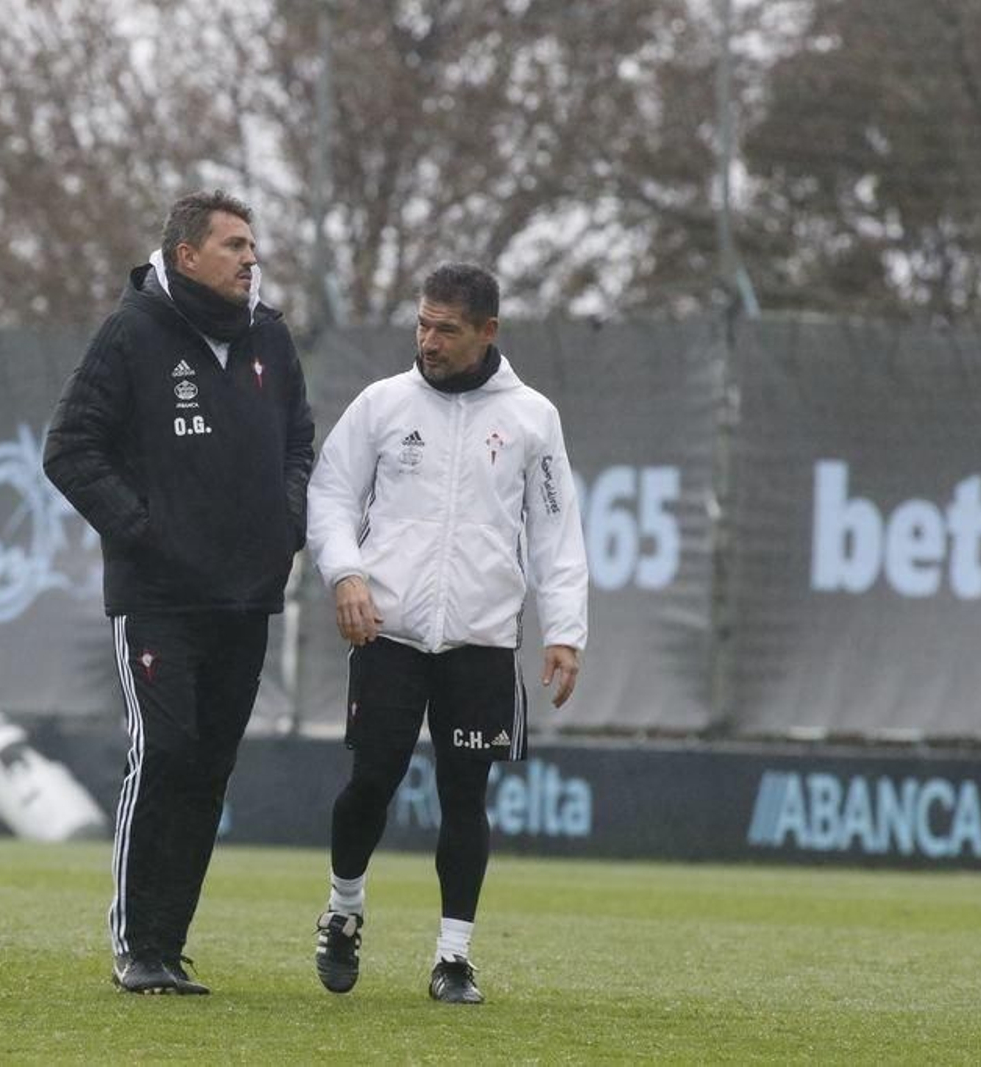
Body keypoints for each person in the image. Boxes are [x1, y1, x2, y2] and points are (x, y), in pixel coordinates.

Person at [43, 190, 315, 995]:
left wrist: (286, 524)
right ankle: (134, 942)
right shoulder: (133, 331)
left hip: (246, 598)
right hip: (159, 596)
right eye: (232, 244)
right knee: (160, 753)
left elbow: (300, 440)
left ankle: (167, 945)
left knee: (208, 767)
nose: (249, 257)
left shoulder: (270, 336)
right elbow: (69, 448)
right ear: (186, 255)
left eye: (252, 245)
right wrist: (145, 529)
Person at [305, 263, 588, 1004]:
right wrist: (345, 573)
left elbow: (559, 531)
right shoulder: (381, 404)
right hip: (388, 634)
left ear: (488, 332)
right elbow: (330, 493)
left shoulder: (532, 417)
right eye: (422, 324)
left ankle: (453, 957)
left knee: (467, 797)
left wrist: (565, 629)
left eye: (446, 329)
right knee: (370, 783)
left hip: (483, 644)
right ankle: (343, 910)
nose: (428, 341)